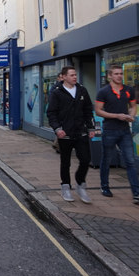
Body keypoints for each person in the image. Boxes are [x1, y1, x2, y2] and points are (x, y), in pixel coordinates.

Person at [95, 64, 139, 204]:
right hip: (109, 130)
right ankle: (104, 186)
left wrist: (131, 116)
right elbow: (98, 111)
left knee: (130, 162)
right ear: (109, 76)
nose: (119, 76)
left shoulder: (129, 90)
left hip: (125, 131)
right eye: (116, 74)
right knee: (106, 160)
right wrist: (116, 116)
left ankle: (137, 193)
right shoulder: (103, 92)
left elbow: (133, 107)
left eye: (121, 73)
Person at [46, 66, 95, 203]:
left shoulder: (82, 90)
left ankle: (80, 184)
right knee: (65, 162)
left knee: (85, 159)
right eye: (72, 75)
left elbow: (88, 110)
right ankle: (66, 187)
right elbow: (51, 113)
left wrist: (91, 128)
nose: (75, 77)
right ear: (64, 76)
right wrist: (57, 128)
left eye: (75, 75)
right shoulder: (57, 93)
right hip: (65, 133)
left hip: (81, 132)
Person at [50, 72, 64, 154]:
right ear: (58, 78)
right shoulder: (55, 88)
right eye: (61, 77)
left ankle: (56, 144)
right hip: (58, 113)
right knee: (61, 129)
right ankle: (58, 145)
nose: (63, 79)